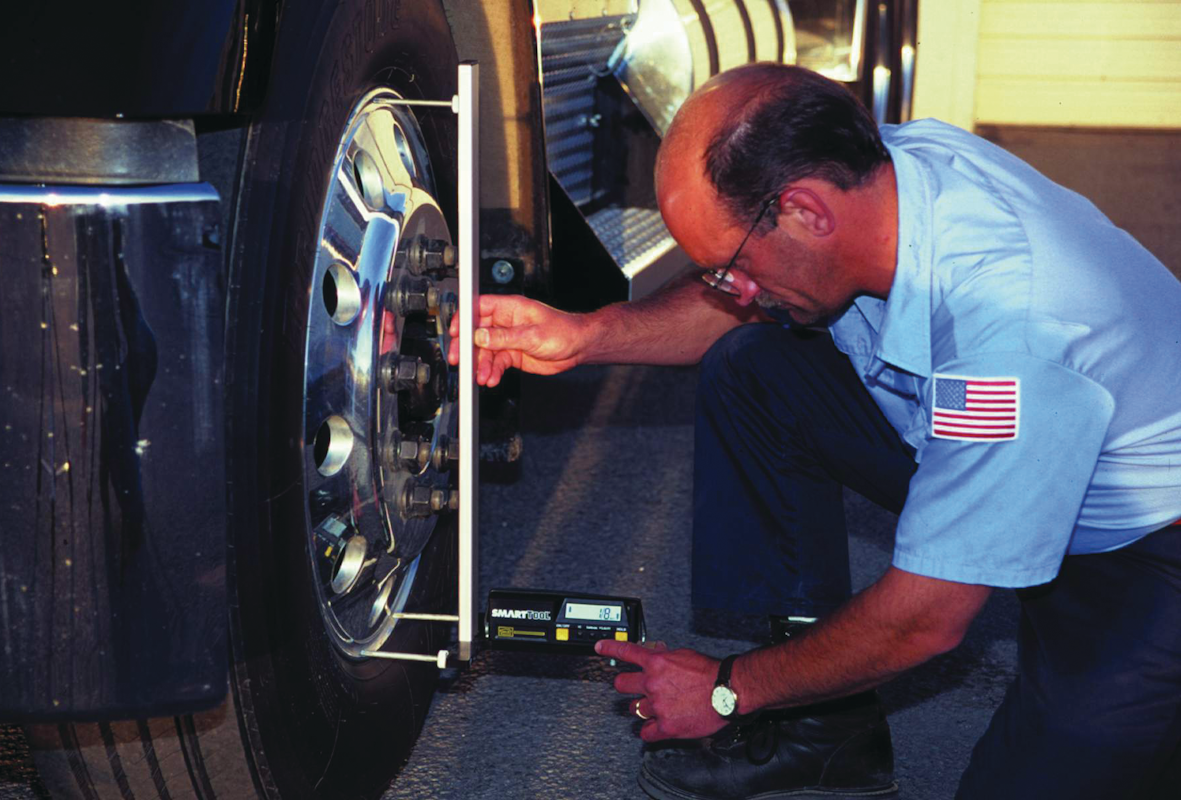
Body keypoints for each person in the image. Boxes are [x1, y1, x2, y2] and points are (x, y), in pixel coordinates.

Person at [448, 63, 1181, 799]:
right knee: (756, 368)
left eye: (726, 266)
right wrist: (586, 336)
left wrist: (729, 689)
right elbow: (748, 303)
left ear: (805, 211)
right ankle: (826, 733)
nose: (729, 291)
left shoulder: (1010, 338)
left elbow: (926, 619)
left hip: (1143, 548)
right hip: (1015, 446)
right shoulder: (884, 174)